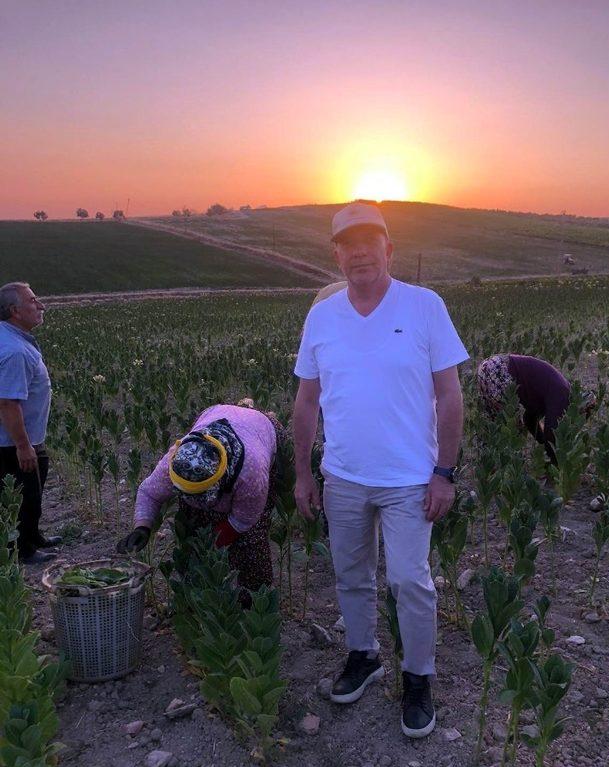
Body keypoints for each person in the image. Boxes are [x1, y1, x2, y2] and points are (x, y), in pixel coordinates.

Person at [293, 202, 468, 738]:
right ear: (337, 254)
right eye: (349, 243)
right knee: (350, 574)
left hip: (410, 479)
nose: (360, 251)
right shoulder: (321, 316)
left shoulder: (424, 306)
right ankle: (363, 655)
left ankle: (418, 678)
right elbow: (305, 402)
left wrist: (445, 472)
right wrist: (304, 472)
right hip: (342, 476)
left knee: (410, 581)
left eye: (371, 240)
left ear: (389, 249)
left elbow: (450, 394)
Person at [118, 404, 284, 595]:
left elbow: (244, 520)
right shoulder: (178, 459)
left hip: (261, 429)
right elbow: (149, 492)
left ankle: (253, 595)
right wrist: (143, 527)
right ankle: (200, 588)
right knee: (194, 524)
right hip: (215, 413)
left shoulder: (251, 472)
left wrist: (213, 543)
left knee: (251, 537)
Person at [0, 282, 61, 564]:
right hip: (13, 442)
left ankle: (33, 534)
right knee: (25, 494)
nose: (41, 306)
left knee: (36, 486)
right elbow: (8, 403)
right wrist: (23, 447)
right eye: (33, 301)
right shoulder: (15, 352)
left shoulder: (12, 338)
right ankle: (23, 550)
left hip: (28, 437)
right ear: (14, 311)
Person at [476, 354, 596, 464]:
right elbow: (552, 432)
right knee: (512, 429)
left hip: (489, 366)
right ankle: (504, 466)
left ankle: (487, 462)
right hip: (500, 371)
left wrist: (543, 444)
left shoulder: (551, 392)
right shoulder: (562, 395)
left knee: (492, 422)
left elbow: (530, 419)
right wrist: (557, 462)